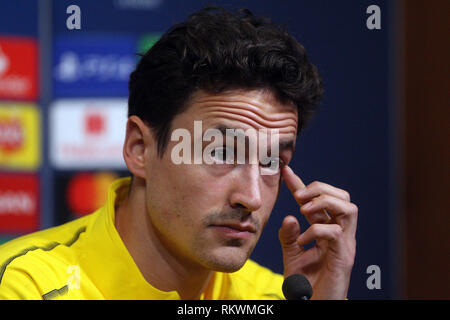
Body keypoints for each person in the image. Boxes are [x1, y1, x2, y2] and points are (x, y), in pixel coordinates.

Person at [0, 7, 357, 300]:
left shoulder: (274, 295)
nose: (250, 197)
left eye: (271, 161)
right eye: (220, 153)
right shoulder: (26, 286)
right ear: (140, 149)